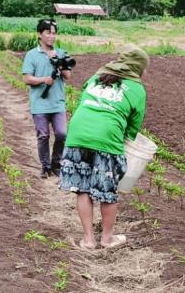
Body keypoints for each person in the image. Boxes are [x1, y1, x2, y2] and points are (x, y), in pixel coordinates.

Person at [59, 46, 149, 250]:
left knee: (82, 188)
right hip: (107, 137)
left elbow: (83, 101)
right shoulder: (136, 88)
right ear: (138, 67)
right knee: (108, 189)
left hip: (77, 133)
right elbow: (133, 127)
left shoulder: (97, 76)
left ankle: (88, 240)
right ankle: (107, 239)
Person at [22, 19, 73, 178]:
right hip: (40, 103)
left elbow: (68, 76)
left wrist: (59, 62)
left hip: (58, 102)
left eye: (54, 33)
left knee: (62, 134)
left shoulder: (61, 53)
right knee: (43, 135)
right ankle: (45, 166)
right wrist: (44, 79)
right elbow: (27, 79)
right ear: (40, 35)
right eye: (48, 33)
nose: (52, 36)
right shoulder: (32, 55)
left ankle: (56, 163)